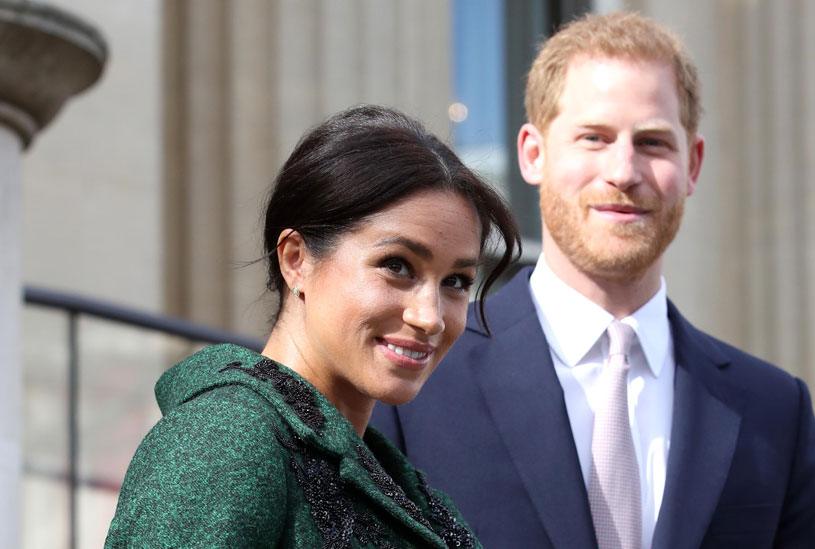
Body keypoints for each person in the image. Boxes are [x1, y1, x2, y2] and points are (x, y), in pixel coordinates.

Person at [371, 12, 815, 549]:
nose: (623, 172)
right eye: (594, 137)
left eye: (654, 143)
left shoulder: (773, 410)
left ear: (694, 164)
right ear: (533, 153)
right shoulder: (418, 376)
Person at [105, 105, 520, 548]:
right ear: (295, 260)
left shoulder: (400, 486)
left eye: (456, 282)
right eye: (396, 266)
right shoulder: (225, 442)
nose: (429, 316)